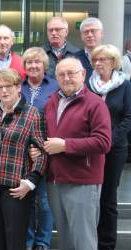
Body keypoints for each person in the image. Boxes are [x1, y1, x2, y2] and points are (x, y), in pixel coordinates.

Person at [44, 57, 112, 250]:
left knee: (84, 241)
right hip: (55, 181)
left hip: (82, 181)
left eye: (71, 73)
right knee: (65, 239)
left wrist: (66, 145)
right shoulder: (53, 102)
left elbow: (103, 142)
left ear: (83, 74)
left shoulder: (95, 104)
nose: (66, 78)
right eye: (61, 74)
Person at [0, 68, 47, 250]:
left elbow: (42, 152)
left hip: (16, 186)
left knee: (15, 240)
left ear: (18, 87)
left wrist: (31, 181)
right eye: (0, 87)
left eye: (8, 86)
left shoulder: (33, 114)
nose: (4, 91)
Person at [87, 44, 131, 250]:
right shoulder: (88, 85)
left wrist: (108, 140)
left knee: (108, 197)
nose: (97, 63)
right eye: (95, 60)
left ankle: (106, 243)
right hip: (90, 149)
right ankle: (90, 240)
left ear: (113, 62)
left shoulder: (125, 85)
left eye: (103, 59)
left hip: (115, 149)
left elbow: (128, 118)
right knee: (90, 196)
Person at [21, 47, 58, 250]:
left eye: (37, 62)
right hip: (23, 154)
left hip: (48, 152)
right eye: (29, 62)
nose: (33, 66)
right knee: (26, 200)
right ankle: (26, 241)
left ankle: (42, 242)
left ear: (44, 65)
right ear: (24, 66)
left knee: (44, 202)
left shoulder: (55, 86)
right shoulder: (18, 86)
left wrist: (42, 149)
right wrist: (28, 148)